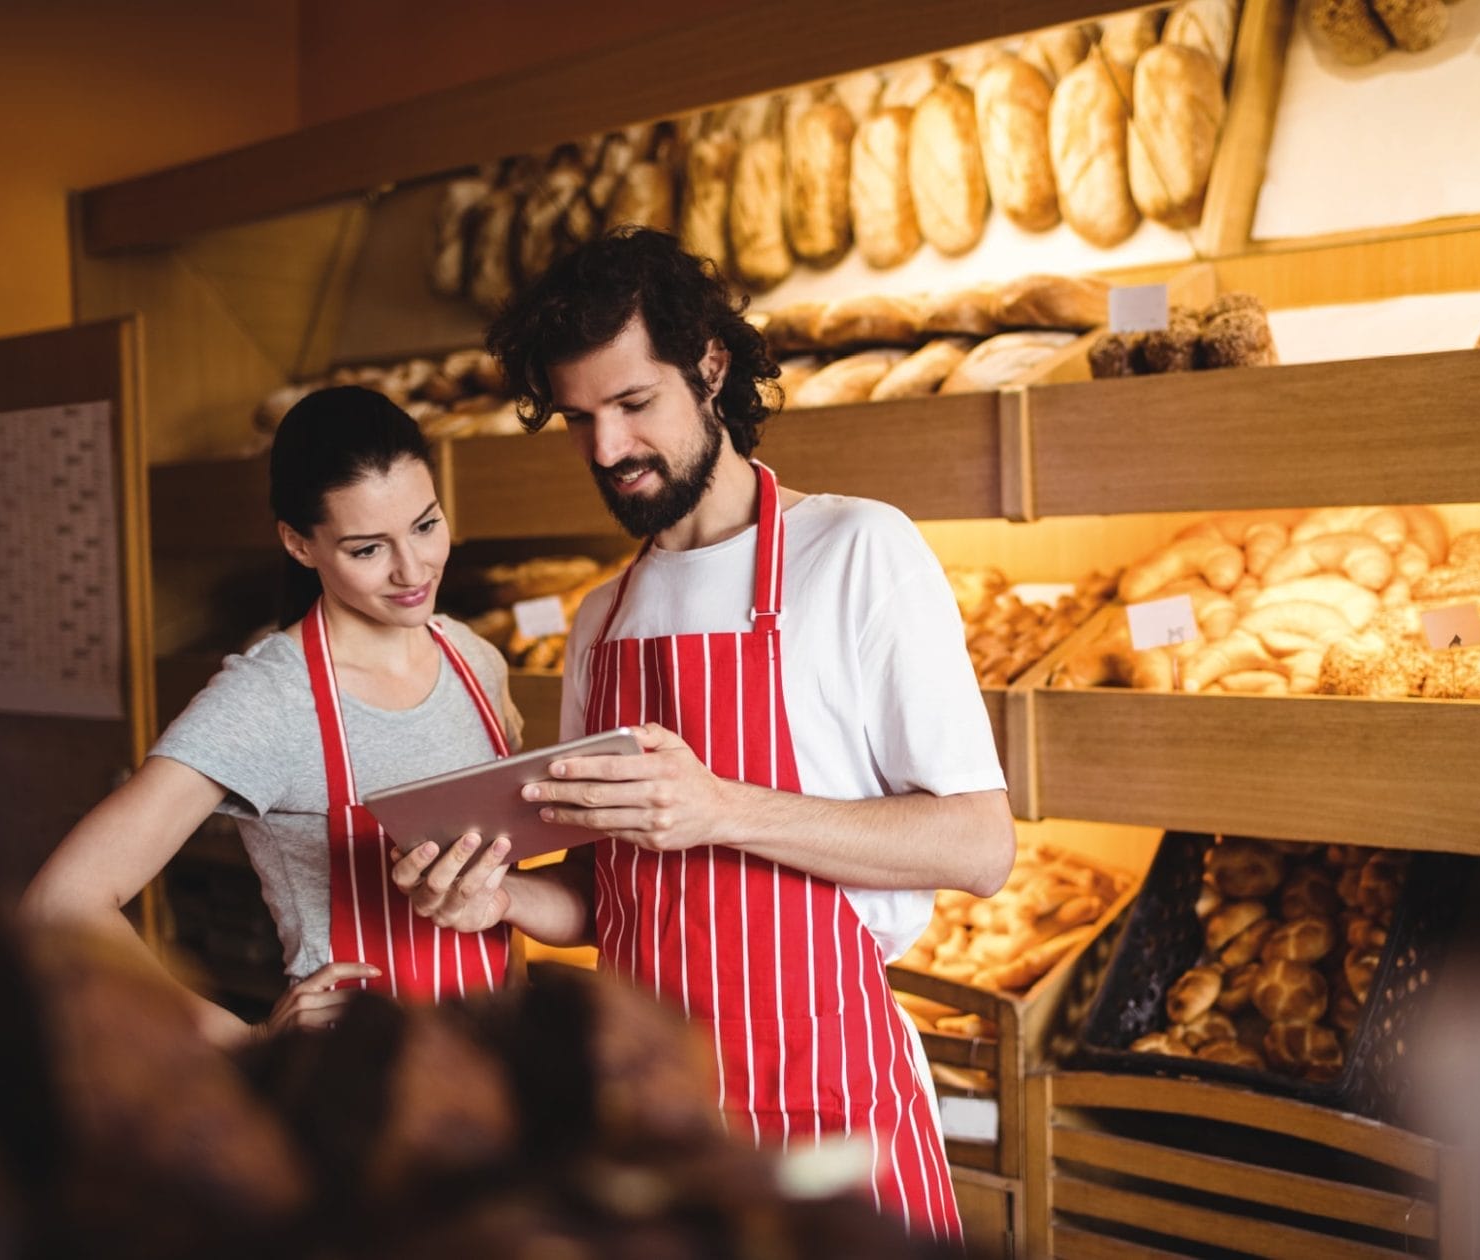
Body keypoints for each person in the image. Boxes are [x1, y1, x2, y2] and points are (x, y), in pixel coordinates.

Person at [391, 226, 1015, 1243]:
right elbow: (608, 898)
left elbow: (981, 846)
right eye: (581, 418)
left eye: (634, 403)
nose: (607, 449)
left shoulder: (856, 551)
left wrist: (722, 808)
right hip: (663, 1122)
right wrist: (494, 898)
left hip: (827, 1108)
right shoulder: (602, 620)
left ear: (711, 365)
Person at [21, 386, 525, 1046]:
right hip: (355, 1077)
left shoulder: (475, 658)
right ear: (298, 544)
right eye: (367, 549)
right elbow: (59, 907)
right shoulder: (270, 698)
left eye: (425, 526)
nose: (413, 570)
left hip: (497, 1057)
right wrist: (247, 1042)